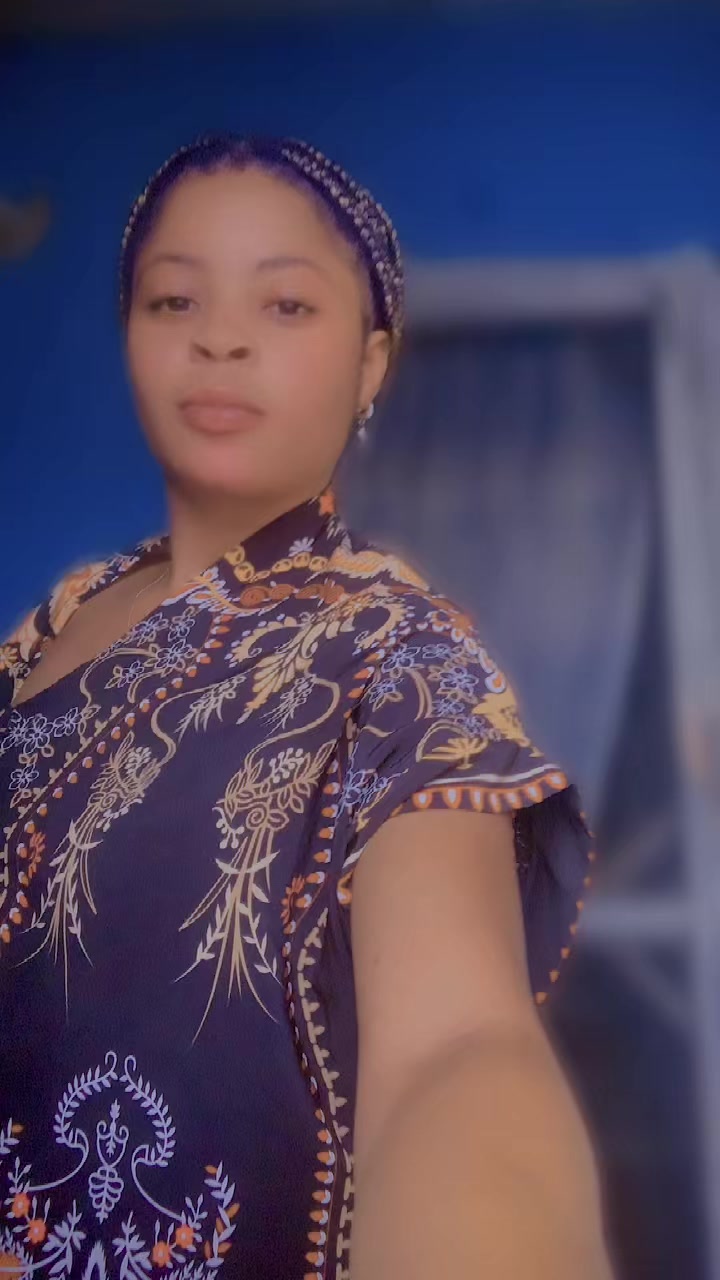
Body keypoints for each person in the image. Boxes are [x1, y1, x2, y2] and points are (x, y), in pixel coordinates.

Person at [0, 134, 611, 1280]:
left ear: (372, 363)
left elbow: (456, 1049)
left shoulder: (400, 652)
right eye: (174, 297)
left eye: (284, 304)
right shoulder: (43, 630)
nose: (220, 337)